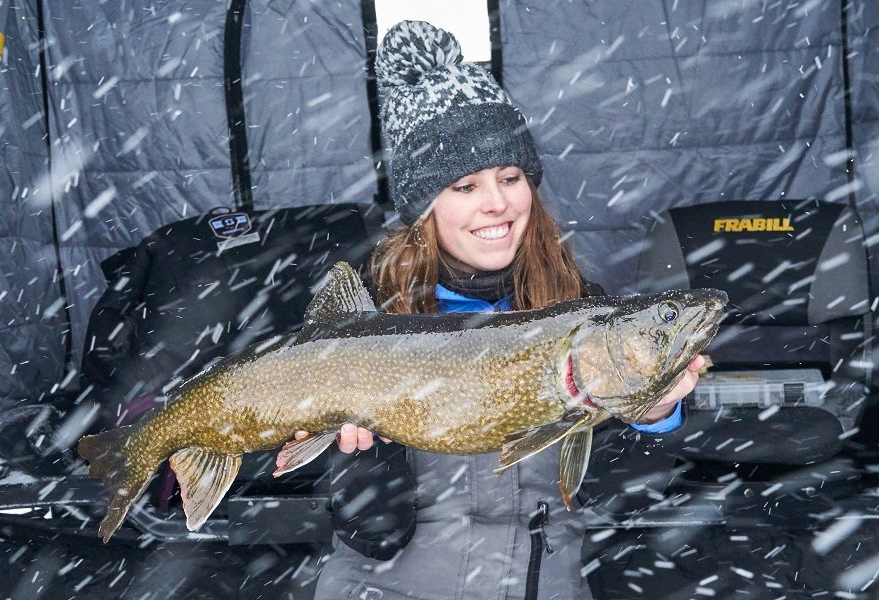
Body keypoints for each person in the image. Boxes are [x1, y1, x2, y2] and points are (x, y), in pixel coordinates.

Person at [289, 20, 705, 600]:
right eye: (463, 186)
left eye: (510, 177)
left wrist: (652, 414)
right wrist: (366, 456)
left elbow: (619, 504)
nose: (497, 203)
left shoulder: (583, 312)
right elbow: (374, 535)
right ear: (423, 206)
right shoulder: (367, 314)